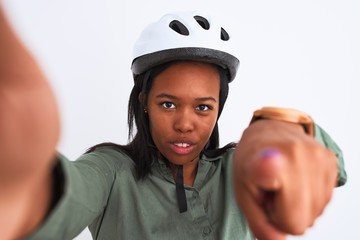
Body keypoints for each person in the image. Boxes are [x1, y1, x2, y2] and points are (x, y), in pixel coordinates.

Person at [0, 7, 347, 240]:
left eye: (203, 107)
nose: (185, 124)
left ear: (219, 109)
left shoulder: (239, 169)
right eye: (168, 103)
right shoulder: (111, 172)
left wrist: (282, 128)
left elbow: (331, 169)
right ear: (144, 102)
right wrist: (23, 183)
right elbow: (58, 196)